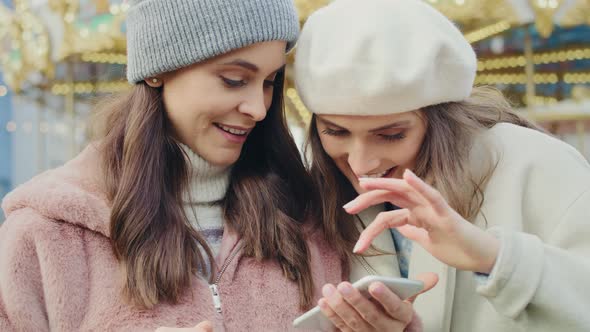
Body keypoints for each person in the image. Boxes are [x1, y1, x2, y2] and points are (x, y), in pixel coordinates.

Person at [0, 0, 344, 331]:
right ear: (157, 71)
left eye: (270, 83)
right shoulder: (44, 234)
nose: (258, 108)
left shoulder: (310, 219)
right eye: (234, 80)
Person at [294, 0, 590, 331]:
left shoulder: (539, 165)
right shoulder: (317, 197)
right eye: (335, 132)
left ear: (440, 120)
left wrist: (494, 258)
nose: (361, 163)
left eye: (391, 135)